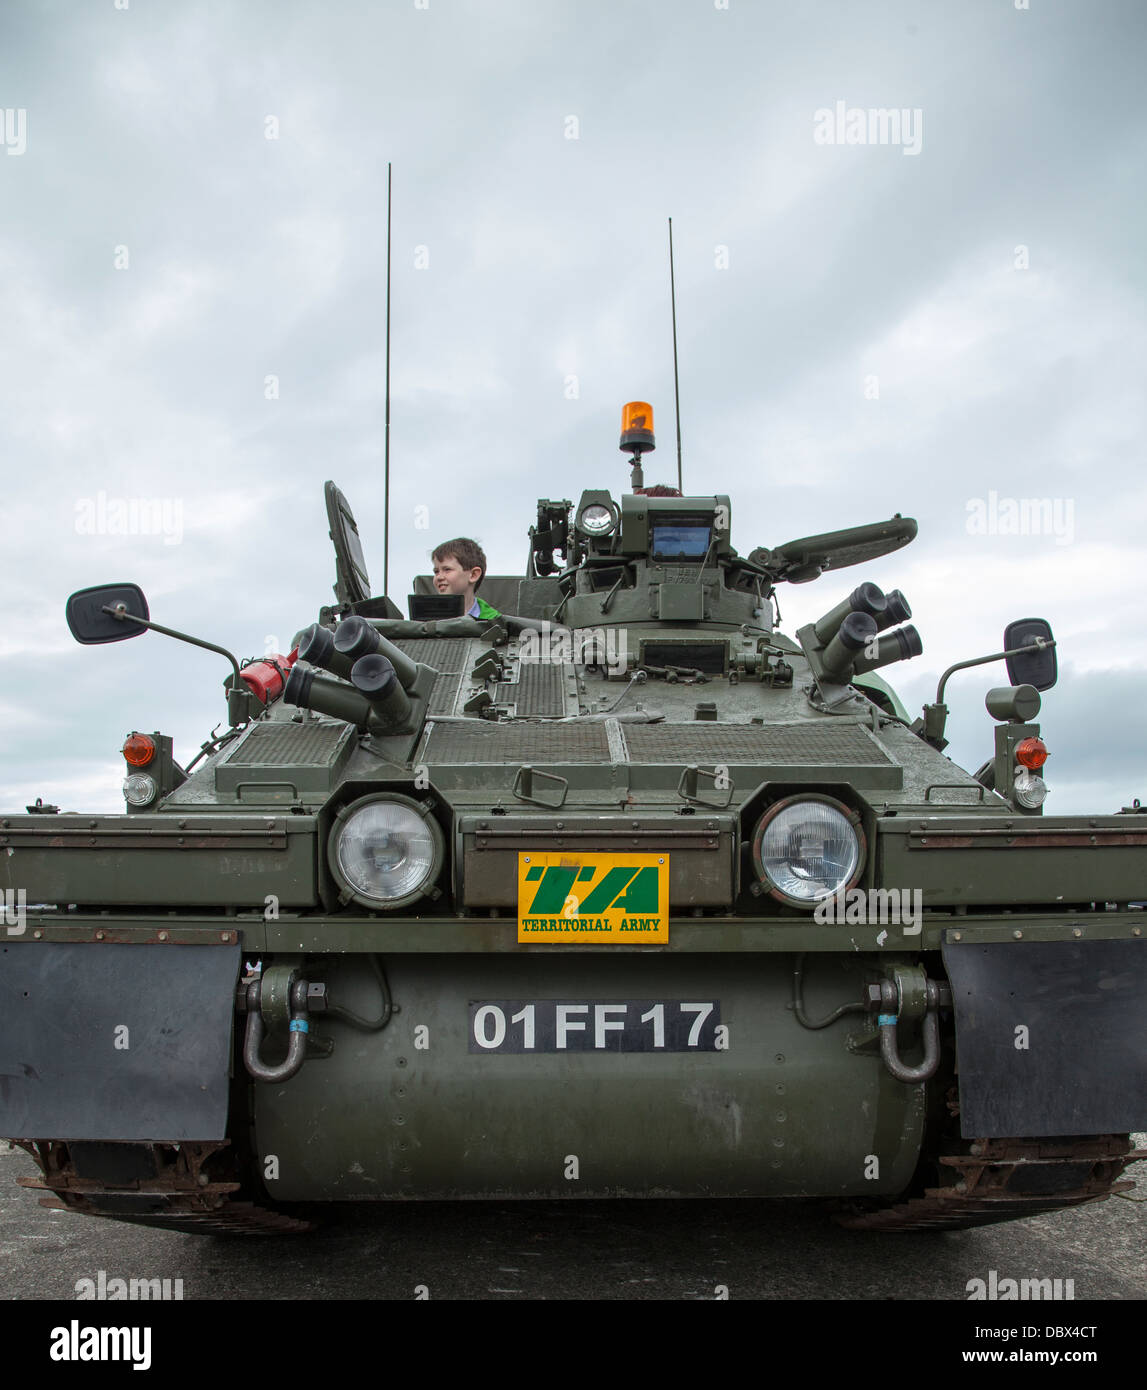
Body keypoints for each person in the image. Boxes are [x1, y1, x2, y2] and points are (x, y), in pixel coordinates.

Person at [431, 537, 501, 619]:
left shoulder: (495, 623)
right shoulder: (424, 622)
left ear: (473, 575)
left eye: (447, 569)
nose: (439, 577)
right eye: (436, 571)